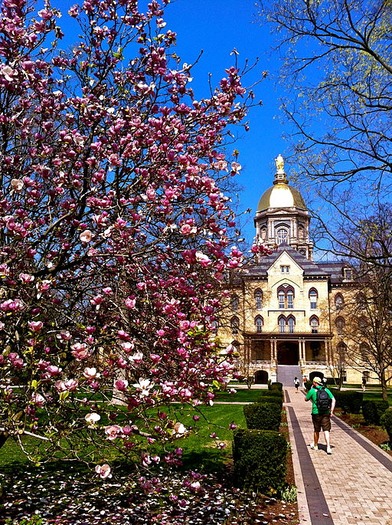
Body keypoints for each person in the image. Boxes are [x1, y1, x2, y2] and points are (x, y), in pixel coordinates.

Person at [304, 376, 336, 455]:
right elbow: (333, 399)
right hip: (326, 412)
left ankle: (315, 445)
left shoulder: (312, 390)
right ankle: (328, 447)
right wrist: (331, 411)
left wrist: (311, 393)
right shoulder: (326, 390)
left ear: (314, 383)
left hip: (316, 412)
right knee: (326, 430)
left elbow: (305, 399)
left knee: (316, 430)